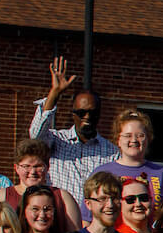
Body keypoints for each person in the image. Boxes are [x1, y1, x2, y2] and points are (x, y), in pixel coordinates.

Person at [27, 57, 119, 201]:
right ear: (73, 114)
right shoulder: (57, 140)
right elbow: (36, 135)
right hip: (60, 215)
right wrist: (54, 93)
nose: (87, 117)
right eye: (81, 113)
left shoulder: (112, 153)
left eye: (92, 113)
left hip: (92, 220)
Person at [90, 110, 163, 204]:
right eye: (127, 136)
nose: (134, 140)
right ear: (118, 140)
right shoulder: (102, 173)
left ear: (148, 138)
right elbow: (87, 217)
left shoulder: (161, 174)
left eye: (140, 136)